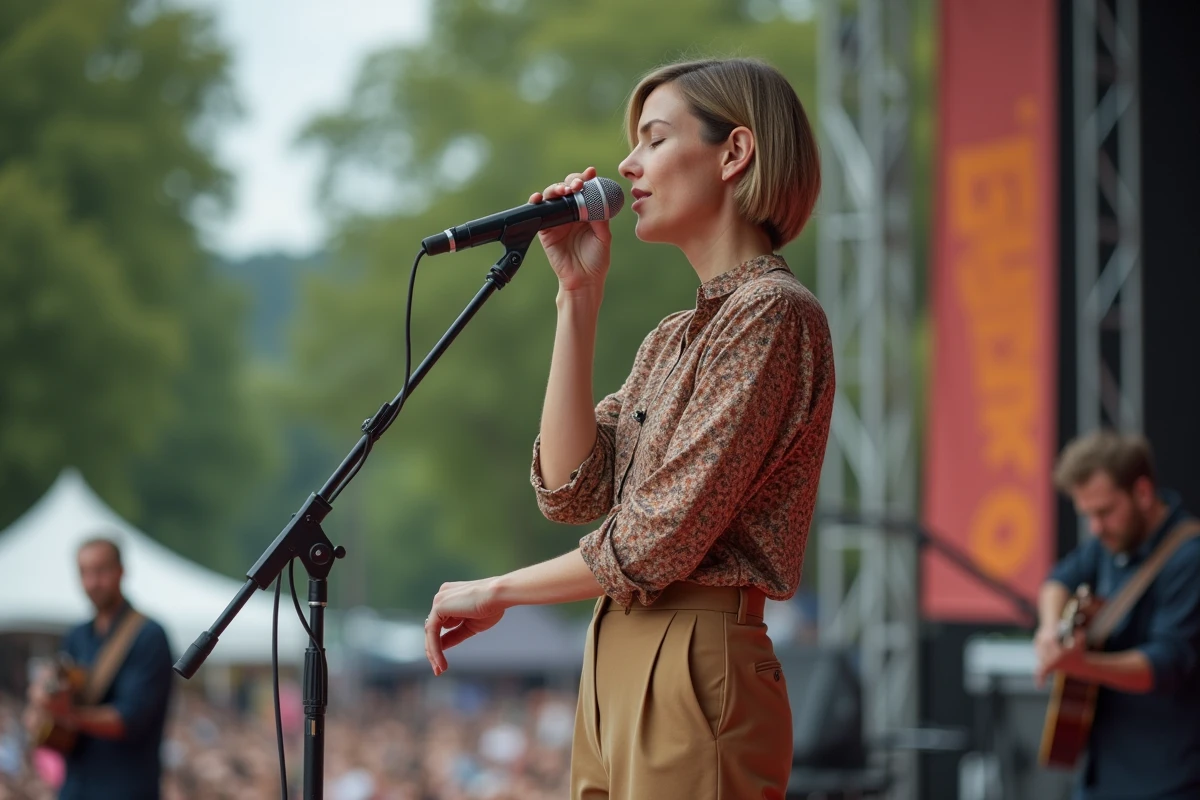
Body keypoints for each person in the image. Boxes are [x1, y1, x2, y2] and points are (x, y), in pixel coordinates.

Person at [423, 57, 833, 799]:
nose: (626, 163)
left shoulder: (772, 313)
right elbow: (571, 490)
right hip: (618, 646)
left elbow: (656, 538)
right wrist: (576, 298)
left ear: (735, 153)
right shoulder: (673, 337)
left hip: (695, 652)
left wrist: (499, 590)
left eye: (653, 138)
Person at [1034, 430, 1200, 800]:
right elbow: (1057, 580)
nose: (1095, 527)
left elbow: (1163, 665)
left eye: (1105, 511)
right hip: (1100, 776)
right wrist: (1049, 629)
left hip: (1168, 781)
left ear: (1142, 492)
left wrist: (1082, 665)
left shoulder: (1189, 559)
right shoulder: (1108, 543)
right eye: (1087, 514)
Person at [26, 537, 174, 800]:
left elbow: (129, 720)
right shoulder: (76, 636)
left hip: (126, 788)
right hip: (75, 786)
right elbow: (56, 689)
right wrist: (40, 699)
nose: (93, 582)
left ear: (121, 571)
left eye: (101, 571)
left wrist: (68, 714)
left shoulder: (148, 635)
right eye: (85, 573)